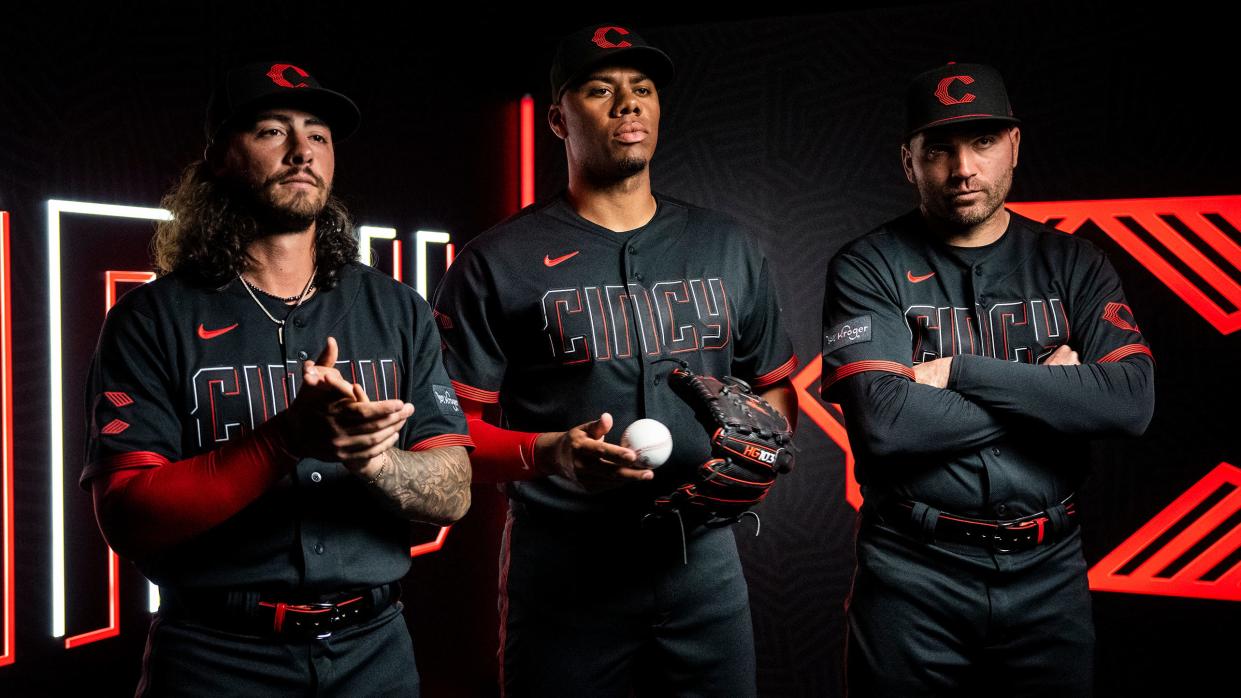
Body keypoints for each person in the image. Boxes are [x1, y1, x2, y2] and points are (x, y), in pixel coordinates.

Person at [82, 61, 473, 696]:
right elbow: (128, 515)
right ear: (217, 160)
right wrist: (282, 440)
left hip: (373, 652)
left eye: (318, 135)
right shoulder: (150, 319)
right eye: (271, 131)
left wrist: (374, 461)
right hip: (216, 658)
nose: (301, 153)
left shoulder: (396, 307)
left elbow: (454, 490)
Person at [432, 24, 798, 697]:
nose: (627, 104)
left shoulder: (725, 245)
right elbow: (450, 442)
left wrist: (759, 454)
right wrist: (552, 452)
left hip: (702, 563)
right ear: (557, 117)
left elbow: (775, 393)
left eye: (642, 90)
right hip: (564, 569)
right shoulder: (496, 261)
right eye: (600, 90)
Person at [821, 63, 1155, 697]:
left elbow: (1131, 403)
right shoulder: (868, 266)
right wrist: (1054, 390)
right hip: (912, 576)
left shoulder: (1075, 265)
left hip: (1049, 574)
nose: (963, 167)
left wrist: (958, 373)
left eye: (982, 142)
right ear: (908, 160)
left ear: (1014, 147)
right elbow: (887, 426)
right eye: (939, 147)